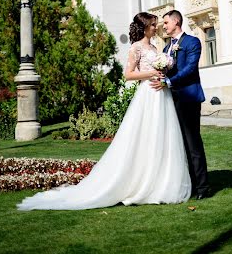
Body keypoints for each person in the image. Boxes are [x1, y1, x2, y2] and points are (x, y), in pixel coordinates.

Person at [17, 12, 191, 211]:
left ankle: (160, 183)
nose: (156, 27)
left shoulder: (154, 47)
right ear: (144, 27)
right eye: (152, 25)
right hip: (147, 95)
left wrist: (163, 71)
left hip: (161, 94)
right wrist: (151, 72)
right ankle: (140, 182)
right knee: (144, 136)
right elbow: (128, 74)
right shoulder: (136, 47)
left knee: (161, 136)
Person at [150, 9, 210, 199]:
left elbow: (190, 69)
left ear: (176, 22)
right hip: (171, 100)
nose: (164, 26)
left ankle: (203, 187)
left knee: (193, 144)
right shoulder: (166, 49)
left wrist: (168, 82)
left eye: (166, 23)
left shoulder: (193, 42)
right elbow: (167, 69)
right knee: (180, 144)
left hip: (189, 99)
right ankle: (189, 184)